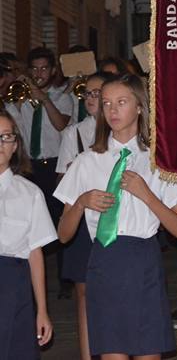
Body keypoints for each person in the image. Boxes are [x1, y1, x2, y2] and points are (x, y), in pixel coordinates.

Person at [54, 73, 177, 360]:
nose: (112, 110)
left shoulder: (159, 161)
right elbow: (63, 234)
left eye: (121, 102)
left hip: (143, 260)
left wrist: (147, 195)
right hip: (104, 259)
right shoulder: (87, 161)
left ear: (139, 106)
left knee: (147, 350)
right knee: (112, 351)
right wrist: (80, 203)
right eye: (106, 104)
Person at [6, 47, 76, 298]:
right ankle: (33, 277)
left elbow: (60, 125)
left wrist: (43, 98)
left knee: (60, 220)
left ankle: (65, 279)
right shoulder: (21, 98)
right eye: (34, 68)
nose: (39, 73)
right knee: (31, 224)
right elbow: (17, 128)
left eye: (44, 68)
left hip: (54, 164)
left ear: (53, 70)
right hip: (30, 165)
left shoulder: (61, 96)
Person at [55, 71, 107, 360]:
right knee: (84, 293)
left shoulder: (121, 133)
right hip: (81, 215)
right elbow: (63, 181)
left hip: (110, 215)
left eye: (97, 93)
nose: (91, 98)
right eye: (87, 93)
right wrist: (78, 168)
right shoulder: (72, 133)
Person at [0, 110, 55, 359]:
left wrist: (41, 310)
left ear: (15, 145)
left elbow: (35, 252)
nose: (0, 144)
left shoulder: (29, 193)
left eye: (6, 137)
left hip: (12, 282)